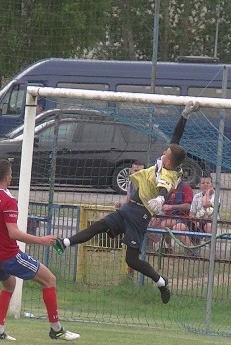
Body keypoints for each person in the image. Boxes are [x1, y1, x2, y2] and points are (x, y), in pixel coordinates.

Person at [52, 101, 200, 304]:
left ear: (167, 161)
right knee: (99, 225)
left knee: (131, 260)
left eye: (166, 153)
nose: (163, 151)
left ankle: (161, 282)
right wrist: (184, 116)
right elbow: (176, 139)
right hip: (130, 208)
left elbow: (163, 187)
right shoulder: (169, 160)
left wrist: (160, 198)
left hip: (140, 216)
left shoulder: (166, 173)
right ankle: (66, 242)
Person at [0, 159, 80, 341]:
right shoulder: (8, 201)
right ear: (8, 177)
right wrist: (41, 240)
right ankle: (56, 329)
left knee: (9, 285)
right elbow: (13, 233)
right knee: (49, 280)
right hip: (8, 255)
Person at [147, 181, 193, 254]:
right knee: (149, 225)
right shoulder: (166, 187)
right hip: (166, 215)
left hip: (181, 217)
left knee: (164, 224)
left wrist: (171, 207)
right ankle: (163, 246)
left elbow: (188, 206)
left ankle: (191, 250)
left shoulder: (185, 186)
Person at [187, 173, 218, 244]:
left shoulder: (215, 196)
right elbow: (191, 214)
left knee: (209, 226)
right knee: (190, 225)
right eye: (203, 183)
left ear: (212, 185)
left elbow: (205, 204)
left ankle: (211, 251)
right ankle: (195, 250)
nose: (205, 185)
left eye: (208, 183)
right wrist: (196, 221)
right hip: (198, 221)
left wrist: (207, 193)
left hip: (211, 221)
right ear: (199, 185)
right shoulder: (196, 197)